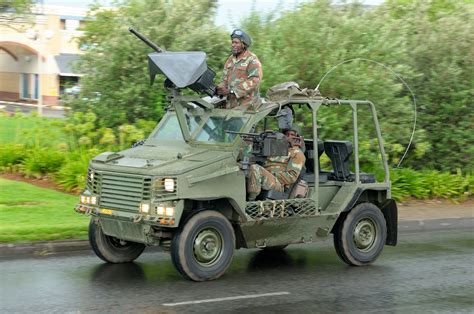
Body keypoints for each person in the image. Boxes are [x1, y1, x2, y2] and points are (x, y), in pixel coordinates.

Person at [246, 126, 306, 201]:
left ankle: (251, 202)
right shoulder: (274, 148)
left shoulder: (297, 153)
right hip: (266, 177)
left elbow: (291, 177)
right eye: (287, 134)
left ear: (297, 137)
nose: (289, 137)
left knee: (255, 168)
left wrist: (271, 174)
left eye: (292, 135)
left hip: (279, 184)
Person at [216, 29, 263, 110]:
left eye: (236, 43)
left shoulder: (252, 59)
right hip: (231, 106)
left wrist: (232, 91)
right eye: (232, 42)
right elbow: (224, 80)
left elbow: (255, 80)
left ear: (243, 45)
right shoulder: (230, 59)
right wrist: (220, 89)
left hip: (247, 106)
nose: (233, 45)